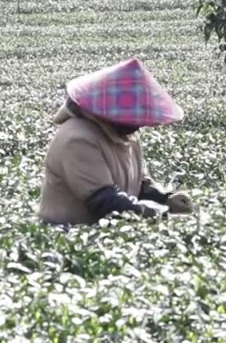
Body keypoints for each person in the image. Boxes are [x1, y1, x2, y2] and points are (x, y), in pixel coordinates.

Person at [37, 58, 194, 227]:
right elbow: (104, 201)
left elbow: (139, 184)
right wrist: (160, 214)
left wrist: (165, 198)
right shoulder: (78, 139)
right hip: (68, 234)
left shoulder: (126, 135)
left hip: (108, 231)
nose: (139, 125)